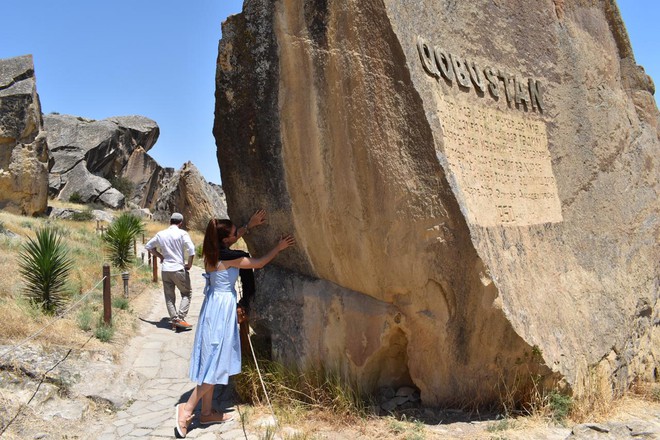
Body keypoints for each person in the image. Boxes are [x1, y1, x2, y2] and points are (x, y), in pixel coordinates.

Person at [174, 217, 295, 438]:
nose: (236, 235)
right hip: (221, 310)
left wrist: (249, 226)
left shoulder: (211, 250)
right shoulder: (231, 258)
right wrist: (278, 247)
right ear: (225, 239)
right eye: (233, 233)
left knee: (212, 357)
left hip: (212, 307)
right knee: (216, 359)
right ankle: (187, 409)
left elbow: (232, 237)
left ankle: (207, 412)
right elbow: (258, 263)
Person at [145, 212, 196, 330]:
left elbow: (148, 246)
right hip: (178, 268)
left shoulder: (161, 234)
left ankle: (174, 319)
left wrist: (161, 256)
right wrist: (189, 264)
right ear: (181, 223)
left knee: (169, 296)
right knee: (186, 293)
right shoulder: (182, 233)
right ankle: (180, 318)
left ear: (170, 221)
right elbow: (192, 249)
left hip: (166, 269)